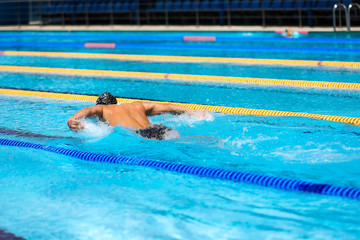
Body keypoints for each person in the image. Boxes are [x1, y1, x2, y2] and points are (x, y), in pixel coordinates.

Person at [68, 92, 206, 140]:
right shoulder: (137, 105)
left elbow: (88, 110)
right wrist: (193, 112)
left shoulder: (102, 108)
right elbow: (169, 107)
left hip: (140, 134)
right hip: (158, 128)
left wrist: (72, 119)